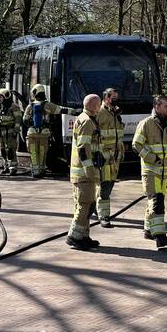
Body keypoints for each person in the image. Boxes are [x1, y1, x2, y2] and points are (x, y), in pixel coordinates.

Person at [132, 94, 167, 249]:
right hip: (151, 170)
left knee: (154, 201)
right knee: (157, 202)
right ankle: (160, 235)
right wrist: (153, 158)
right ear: (157, 106)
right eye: (166, 106)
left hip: (165, 171)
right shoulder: (146, 123)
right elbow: (137, 144)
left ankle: (148, 230)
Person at [67, 94, 103, 251]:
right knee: (85, 205)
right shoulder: (88, 122)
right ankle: (74, 236)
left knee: (87, 204)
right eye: (99, 104)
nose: (100, 107)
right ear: (94, 106)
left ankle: (84, 236)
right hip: (84, 174)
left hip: (81, 172)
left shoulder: (83, 118)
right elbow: (83, 149)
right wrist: (90, 171)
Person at [23, 84, 78, 178]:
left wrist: (32, 126)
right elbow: (61, 110)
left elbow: (25, 120)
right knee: (43, 152)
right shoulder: (48, 105)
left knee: (33, 151)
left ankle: (35, 171)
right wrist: (75, 111)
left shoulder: (30, 106)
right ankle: (42, 169)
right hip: (44, 133)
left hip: (32, 133)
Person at [95, 87, 124, 228]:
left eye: (116, 98)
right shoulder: (99, 113)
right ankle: (104, 216)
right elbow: (94, 136)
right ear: (106, 98)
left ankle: (95, 207)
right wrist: (97, 154)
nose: (116, 100)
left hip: (115, 157)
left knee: (110, 184)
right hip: (104, 157)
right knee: (105, 186)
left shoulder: (116, 113)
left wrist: (121, 151)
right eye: (113, 98)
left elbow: (118, 135)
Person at [0, 88, 23, 175]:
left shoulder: (14, 107)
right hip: (1, 132)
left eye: (1, 97)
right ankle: (5, 167)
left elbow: (18, 119)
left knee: (11, 150)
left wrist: (16, 131)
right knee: (3, 150)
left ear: (6, 97)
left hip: (10, 131)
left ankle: (13, 168)